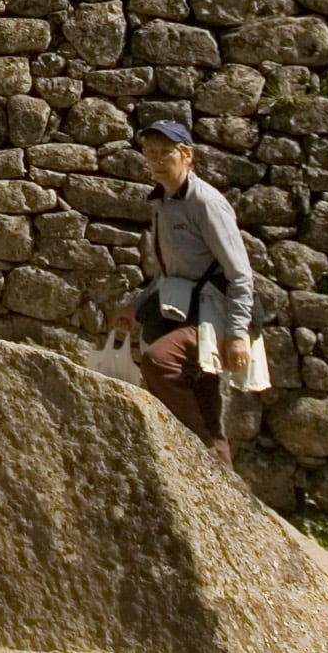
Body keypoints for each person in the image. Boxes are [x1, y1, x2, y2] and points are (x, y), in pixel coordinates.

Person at [109, 120, 265, 464]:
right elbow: (168, 272)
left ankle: (197, 447)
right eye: (150, 153)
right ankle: (215, 453)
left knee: (160, 361)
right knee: (198, 381)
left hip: (216, 310)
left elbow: (240, 274)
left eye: (166, 153)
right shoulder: (162, 201)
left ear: (188, 156)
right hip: (181, 306)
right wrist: (136, 305)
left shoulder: (206, 203)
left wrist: (237, 334)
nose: (157, 161)